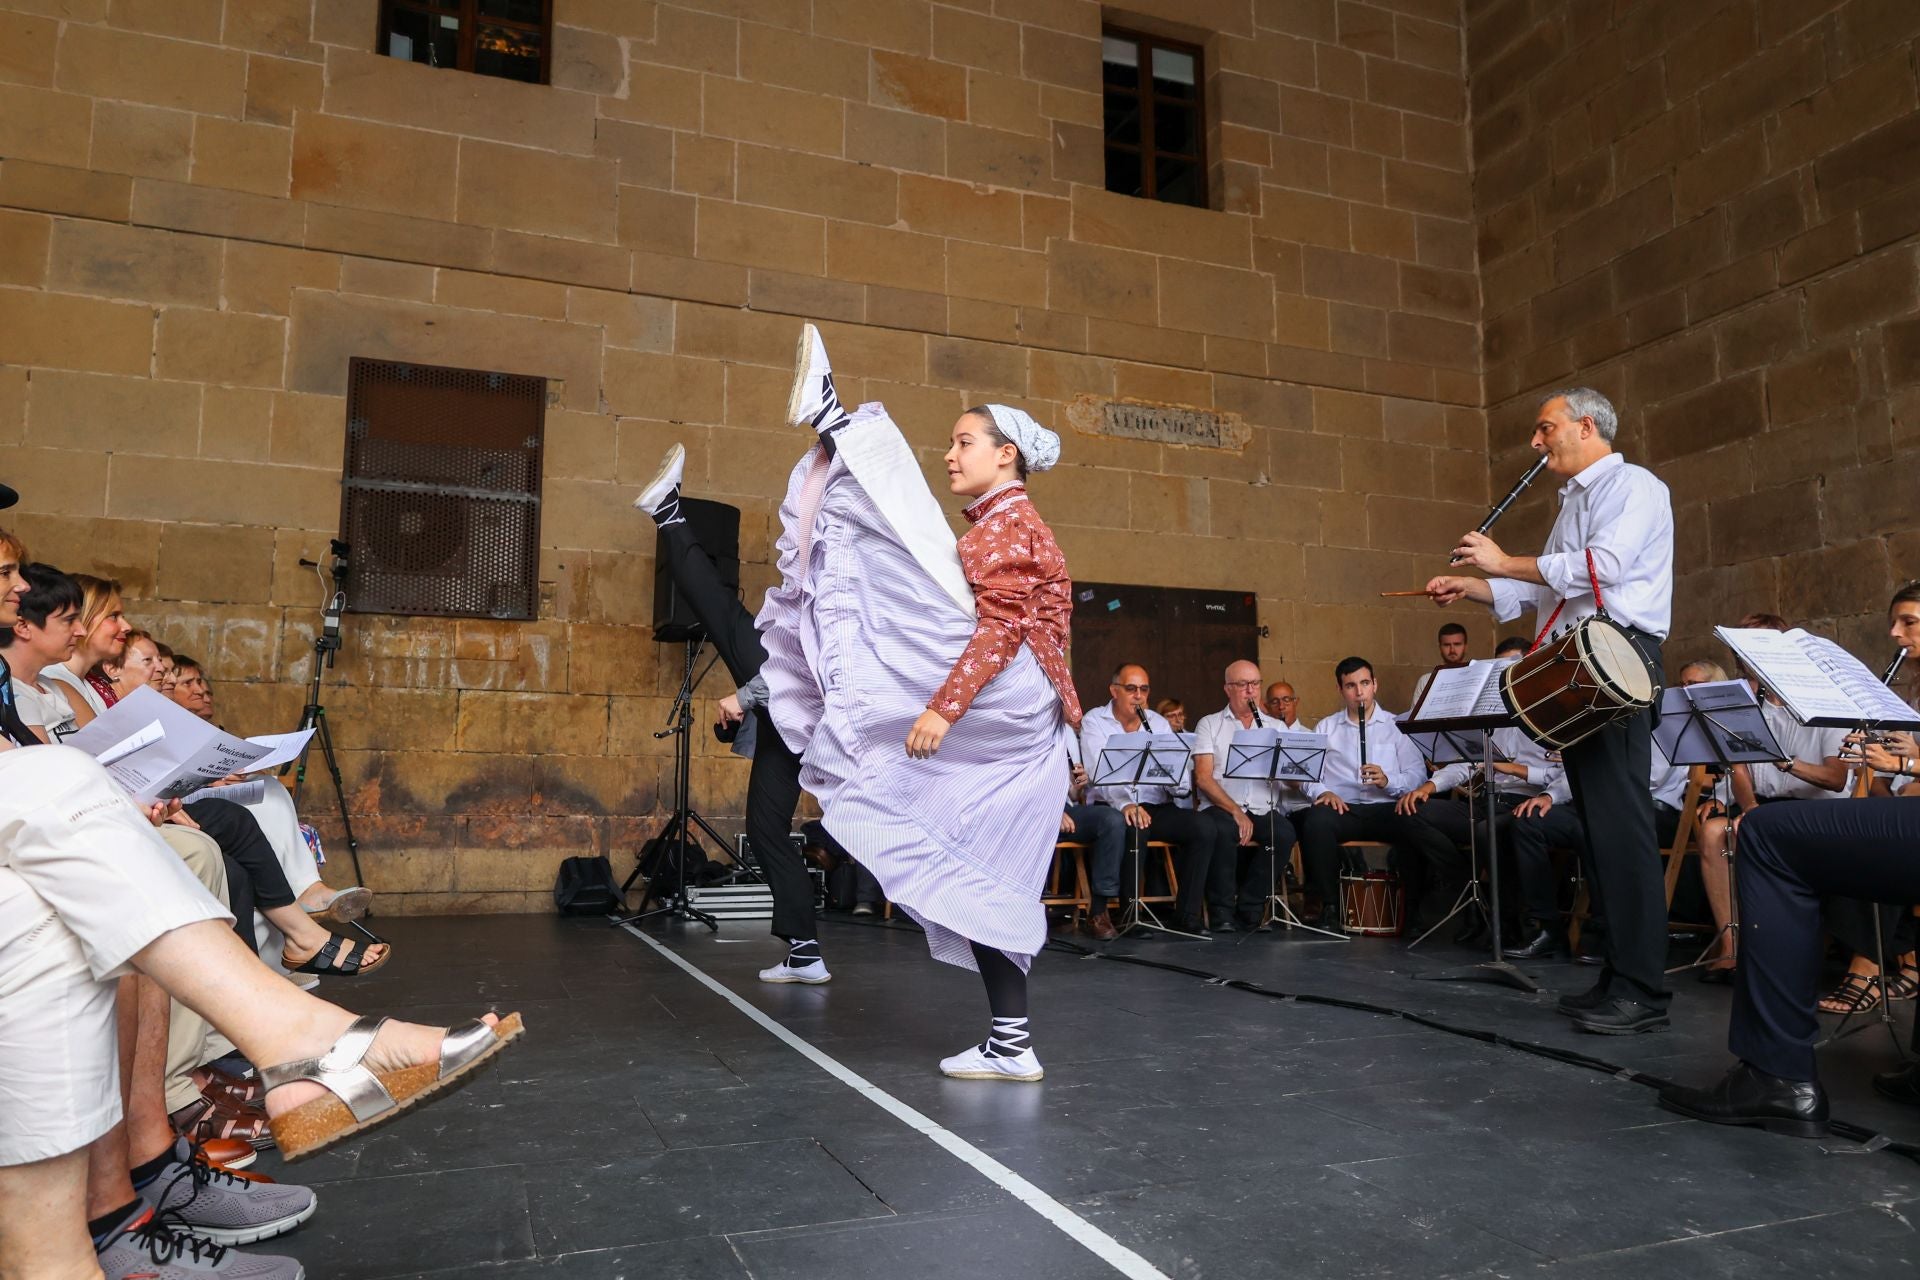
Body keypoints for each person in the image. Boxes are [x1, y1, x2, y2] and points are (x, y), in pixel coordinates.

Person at [758, 325, 1079, 1082]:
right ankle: (1011, 1041)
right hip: (1025, 722)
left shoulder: (1011, 522)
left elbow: (1000, 632)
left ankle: (838, 421)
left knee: (913, 568)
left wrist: (941, 710)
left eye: (965, 441)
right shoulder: (999, 525)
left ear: (1007, 455)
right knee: (990, 878)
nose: (951, 453)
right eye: (950, 441)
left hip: (1011, 701)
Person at [1426, 386, 1676, 1035]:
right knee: (1597, 827)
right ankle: (1619, 975)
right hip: (1583, 663)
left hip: (1621, 660)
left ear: (1586, 425)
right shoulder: (1575, 503)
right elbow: (1548, 590)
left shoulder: (1635, 487)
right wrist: (1475, 586)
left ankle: (1645, 989)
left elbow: (1602, 569)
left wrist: (1503, 557)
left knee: (1622, 829)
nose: (1536, 443)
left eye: (1545, 429)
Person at [631, 442, 834, 985]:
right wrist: (740, 718)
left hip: (802, 714)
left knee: (720, 610)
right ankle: (805, 952)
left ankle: (669, 513)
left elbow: (813, 677)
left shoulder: (852, 602)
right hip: (786, 729)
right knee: (765, 833)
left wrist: (743, 697)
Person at [1081, 664, 1233, 934]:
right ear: (1114, 691)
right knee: (1134, 825)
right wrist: (1126, 803)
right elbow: (1097, 772)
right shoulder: (1095, 720)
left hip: (1157, 806)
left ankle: (1187, 914)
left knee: (1204, 828)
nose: (1138, 695)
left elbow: (1177, 776)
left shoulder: (1158, 723)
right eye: (1131, 689)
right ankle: (1130, 915)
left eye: (1144, 689)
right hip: (1116, 805)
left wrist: (1178, 783)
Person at [1295, 656, 1432, 932]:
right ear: (1340, 689)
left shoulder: (1397, 727)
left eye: (1364, 683)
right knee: (1316, 822)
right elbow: (1307, 777)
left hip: (1386, 807)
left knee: (1417, 822)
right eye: (1350, 686)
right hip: (1344, 808)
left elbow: (1417, 776)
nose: (1359, 692)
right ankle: (1331, 907)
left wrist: (1387, 780)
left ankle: (1413, 909)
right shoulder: (1326, 727)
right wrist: (1325, 792)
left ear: (1375, 685)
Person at [1192, 660, 1294, 931]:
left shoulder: (1277, 727)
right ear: (1228, 689)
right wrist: (1235, 811)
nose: (1250, 691)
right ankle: (1221, 911)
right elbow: (1202, 777)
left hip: (1262, 806)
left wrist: (1290, 770)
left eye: (1255, 684)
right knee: (1223, 831)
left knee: (1283, 834)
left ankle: (1251, 907)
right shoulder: (1210, 724)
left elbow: (1292, 782)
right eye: (1242, 685)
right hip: (1222, 806)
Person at [1403, 622, 1470, 719]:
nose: (1452, 650)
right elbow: (1415, 719)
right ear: (1440, 647)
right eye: (1447, 645)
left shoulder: (1476, 677)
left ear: (1465, 646)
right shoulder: (1426, 680)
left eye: (1457, 644)